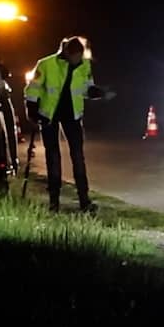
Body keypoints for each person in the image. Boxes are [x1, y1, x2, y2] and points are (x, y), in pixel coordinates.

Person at [24, 37, 102, 212]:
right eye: (75, 57)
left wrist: (93, 92)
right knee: (53, 157)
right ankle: (54, 203)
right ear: (67, 53)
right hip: (48, 116)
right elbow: (33, 88)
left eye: (80, 57)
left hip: (72, 115)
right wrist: (32, 109)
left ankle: (84, 201)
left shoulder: (84, 65)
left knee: (78, 157)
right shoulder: (46, 64)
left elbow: (85, 87)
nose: (78, 60)